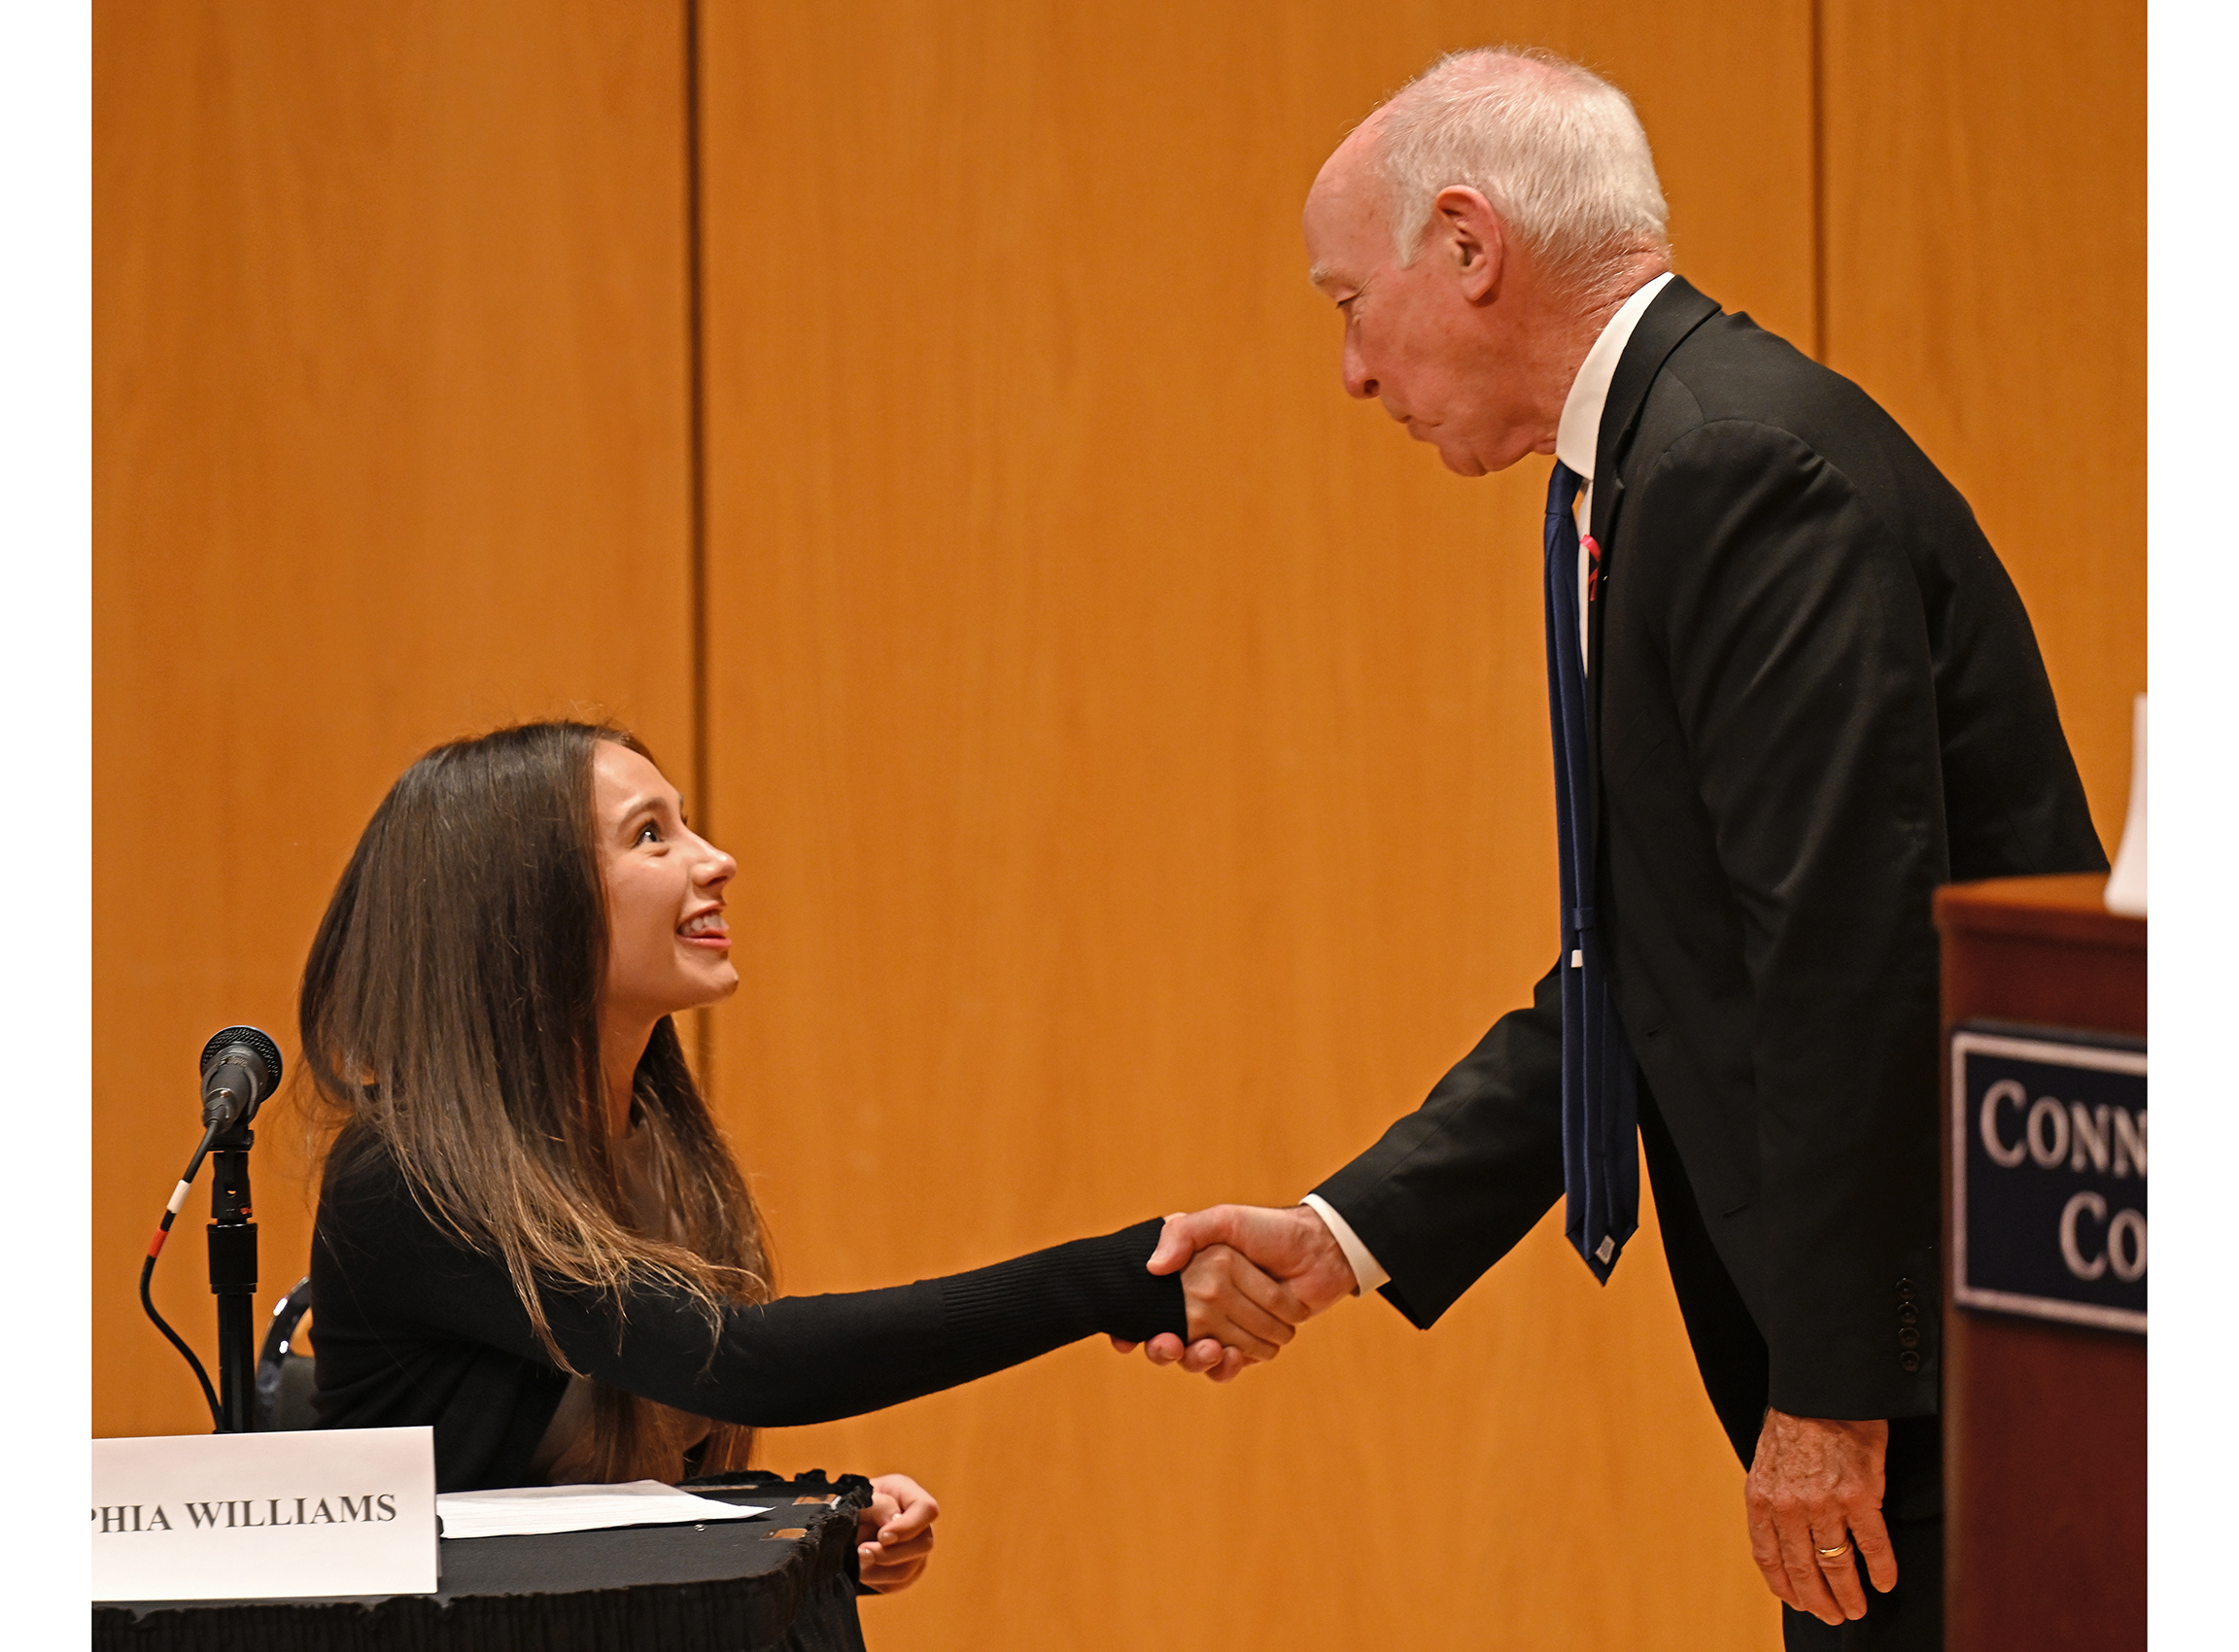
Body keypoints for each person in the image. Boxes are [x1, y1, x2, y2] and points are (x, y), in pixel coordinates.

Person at [1120, 47, 2106, 1647]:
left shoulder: (1733, 468)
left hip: (1951, 1381)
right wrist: (1347, 1233)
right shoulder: (1644, 464)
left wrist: (1832, 1401)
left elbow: (1842, 965)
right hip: (1922, 1364)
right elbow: (1637, 966)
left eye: (1342, 303)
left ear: (1464, 244)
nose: (1351, 373)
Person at [302, 720, 1300, 1589]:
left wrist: (810, 1515)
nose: (716, 858)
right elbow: (744, 1363)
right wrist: (1110, 1280)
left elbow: (615, 1500)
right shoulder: (411, 1180)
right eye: (652, 834)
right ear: (523, 907)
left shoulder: (653, 1151)